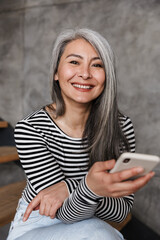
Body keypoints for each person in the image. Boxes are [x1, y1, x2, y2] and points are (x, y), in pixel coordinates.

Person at [7, 28, 154, 240]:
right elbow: (65, 214)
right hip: (37, 224)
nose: (85, 73)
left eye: (97, 65)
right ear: (56, 72)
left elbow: (120, 211)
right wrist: (93, 187)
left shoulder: (121, 127)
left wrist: (70, 187)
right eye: (74, 62)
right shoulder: (30, 129)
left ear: (107, 76)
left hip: (92, 225)